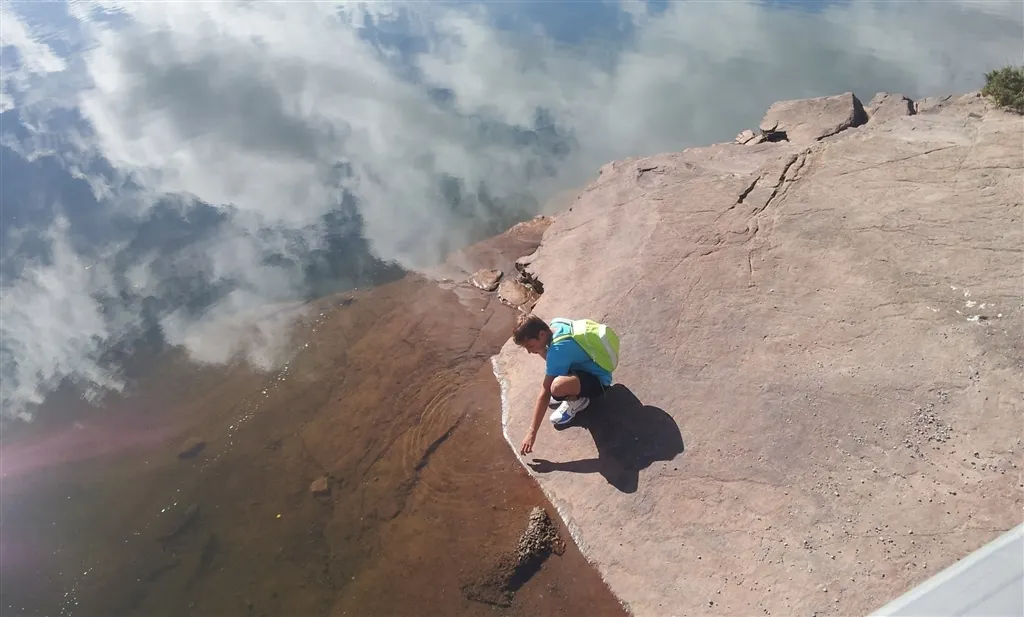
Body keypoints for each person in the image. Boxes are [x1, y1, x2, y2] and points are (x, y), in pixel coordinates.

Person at [512, 313, 614, 455]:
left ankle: (578, 401)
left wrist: (531, 433)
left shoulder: (558, 350)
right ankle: (571, 388)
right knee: (552, 367)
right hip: (594, 365)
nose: (529, 351)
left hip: (599, 382)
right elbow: (554, 357)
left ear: (541, 334)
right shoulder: (557, 324)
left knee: (556, 388)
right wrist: (539, 349)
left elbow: (545, 392)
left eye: (530, 346)